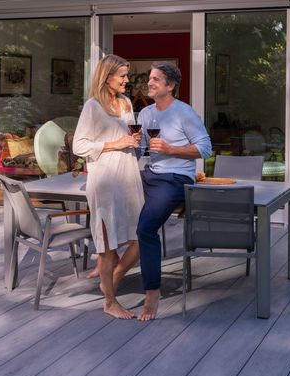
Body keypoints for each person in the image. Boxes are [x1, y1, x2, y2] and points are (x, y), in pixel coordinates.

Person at [135, 62, 212, 321]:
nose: (150, 82)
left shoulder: (184, 113)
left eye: (156, 79)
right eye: (149, 78)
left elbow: (204, 149)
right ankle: (108, 270)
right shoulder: (145, 114)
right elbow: (143, 150)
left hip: (175, 178)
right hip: (149, 173)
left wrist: (171, 150)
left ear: (170, 86)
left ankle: (152, 293)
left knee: (145, 229)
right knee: (110, 198)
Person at [73, 54, 144, 319]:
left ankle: (112, 280)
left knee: (140, 238)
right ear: (107, 77)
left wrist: (133, 140)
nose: (127, 80)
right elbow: (79, 146)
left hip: (128, 175)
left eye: (127, 75)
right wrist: (115, 144)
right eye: (123, 76)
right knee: (106, 245)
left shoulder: (126, 103)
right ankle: (110, 302)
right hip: (104, 180)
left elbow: (126, 136)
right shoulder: (93, 106)